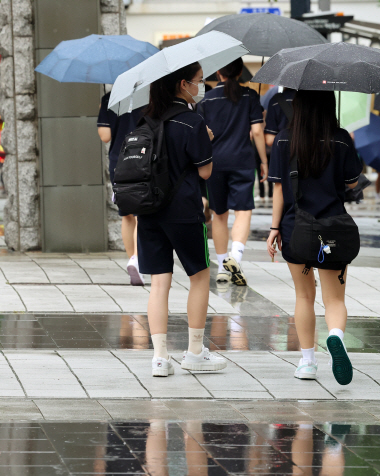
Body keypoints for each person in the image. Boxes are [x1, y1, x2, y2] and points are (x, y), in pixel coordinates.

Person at [266, 90, 361, 386]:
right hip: (333, 229)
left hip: (297, 229)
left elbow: (279, 189)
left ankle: (307, 362)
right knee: (335, 299)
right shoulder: (342, 138)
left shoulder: (284, 138)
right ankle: (335, 336)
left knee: (304, 296)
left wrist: (273, 229)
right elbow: (353, 184)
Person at [137, 61, 226, 377]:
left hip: (148, 211)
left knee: (159, 283)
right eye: (199, 81)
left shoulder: (144, 118)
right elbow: (205, 170)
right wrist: (207, 139)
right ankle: (194, 352)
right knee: (199, 276)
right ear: (183, 84)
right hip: (184, 211)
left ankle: (160, 358)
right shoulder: (192, 121)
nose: (201, 86)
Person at [197, 58, 267, 286]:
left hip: (214, 163)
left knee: (219, 214)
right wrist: (264, 161)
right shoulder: (250, 97)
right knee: (243, 211)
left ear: (219, 72)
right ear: (240, 72)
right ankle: (235, 257)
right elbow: (257, 131)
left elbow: (203, 134)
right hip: (242, 161)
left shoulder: (206, 99)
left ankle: (222, 268)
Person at [97, 92, 146, 285]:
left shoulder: (110, 98)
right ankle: (138, 261)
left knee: (127, 215)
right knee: (141, 214)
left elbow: (105, 136)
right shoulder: (149, 95)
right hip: (144, 158)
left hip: (119, 161)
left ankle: (132, 259)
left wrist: (103, 113)